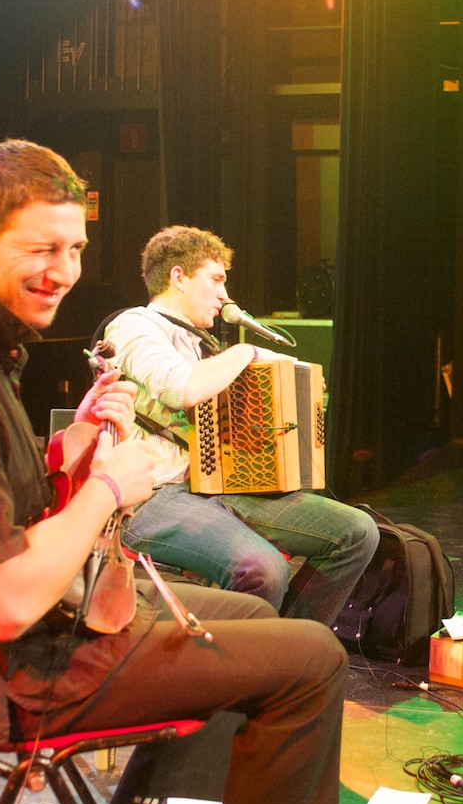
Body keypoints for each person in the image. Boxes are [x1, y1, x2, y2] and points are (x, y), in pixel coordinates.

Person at [0, 140, 346, 804]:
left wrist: (73, 444)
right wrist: (107, 487)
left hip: (40, 632)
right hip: (22, 674)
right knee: (314, 659)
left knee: (254, 609)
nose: (65, 272)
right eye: (42, 248)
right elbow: (5, 603)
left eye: (74, 249)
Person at [102, 225, 377, 626]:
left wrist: (293, 383)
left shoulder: (203, 344)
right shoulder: (135, 325)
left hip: (213, 487)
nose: (224, 296)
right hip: (151, 498)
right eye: (215, 280)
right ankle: (252, 657)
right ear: (178, 277)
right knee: (264, 570)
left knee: (356, 532)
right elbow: (181, 388)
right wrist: (247, 351)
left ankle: (292, 645)